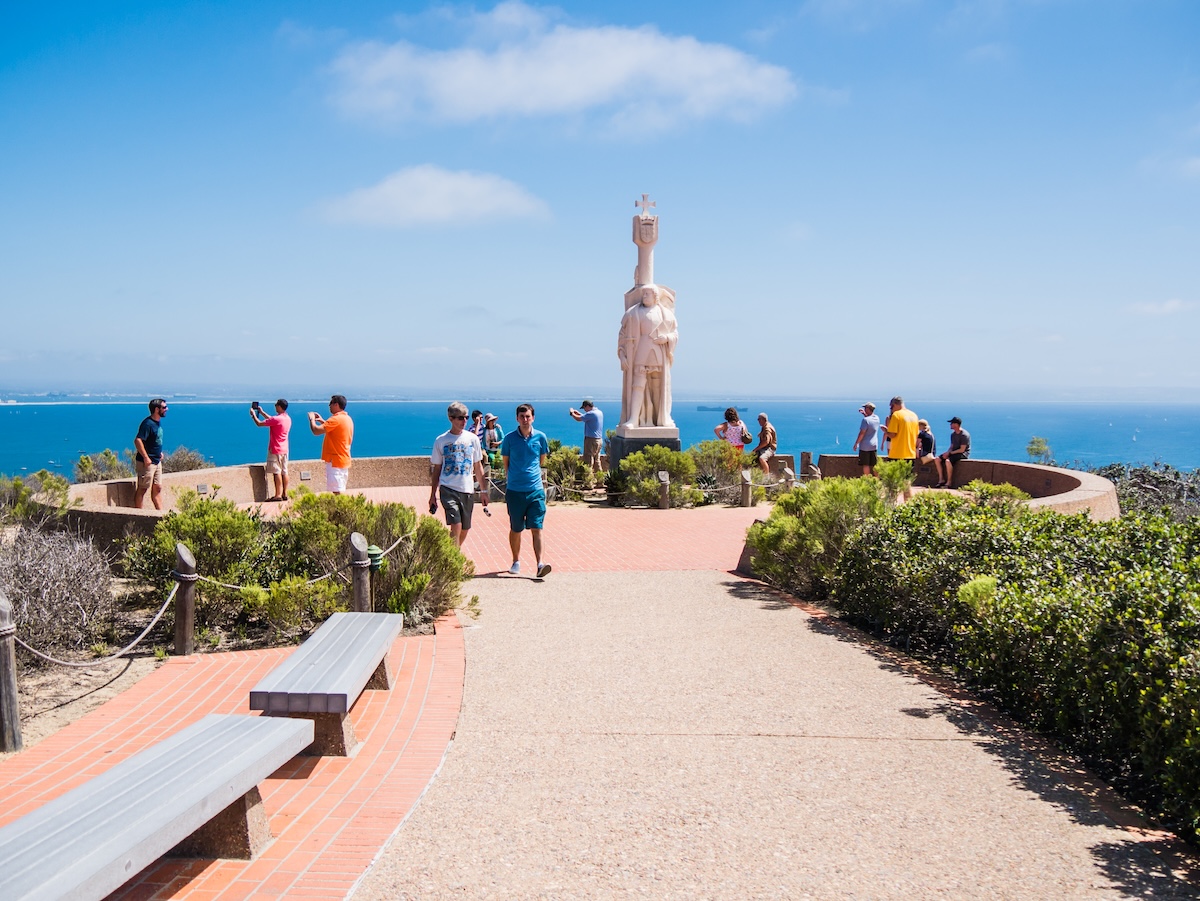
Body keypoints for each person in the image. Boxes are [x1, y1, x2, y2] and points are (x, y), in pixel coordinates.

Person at [501, 403, 551, 578]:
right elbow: (506, 462)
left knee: (537, 527)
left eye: (528, 416)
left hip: (535, 490)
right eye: (522, 417)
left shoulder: (540, 437)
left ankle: (540, 564)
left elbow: (541, 459)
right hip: (515, 490)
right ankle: (515, 561)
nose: (525, 419)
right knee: (516, 528)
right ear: (517, 418)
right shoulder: (509, 439)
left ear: (533, 418)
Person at [618, 284, 678, 429]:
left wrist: (667, 338)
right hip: (640, 351)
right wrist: (622, 355)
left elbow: (675, 333)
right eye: (643, 294)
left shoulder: (666, 314)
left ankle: (660, 417)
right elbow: (622, 336)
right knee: (638, 384)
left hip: (658, 352)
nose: (644, 296)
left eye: (647, 294)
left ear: (655, 296)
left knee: (658, 385)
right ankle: (634, 418)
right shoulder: (633, 313)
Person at [429, 402, 488, 549]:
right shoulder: (441, 441)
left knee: (465, 529)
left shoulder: (473, 439)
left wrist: (484, 491)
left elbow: (478, 466)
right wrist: (433, 495)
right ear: (451, 418)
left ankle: (453, 552)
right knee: (456, 525)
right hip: (448, 489)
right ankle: (453, 558)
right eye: (460, 418)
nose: (464, 421)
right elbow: (437, 469)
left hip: (467, 490)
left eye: (466, 417)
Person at [308, 394, 354, 495]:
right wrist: (322, 421)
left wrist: (312, 419)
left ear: (336, 404)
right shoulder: (347, 418)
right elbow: (335, 430)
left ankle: (339, 506)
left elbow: (316, 431)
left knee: (336, 491)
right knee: (339, 488)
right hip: (343, 458)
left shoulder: (335, 419)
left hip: (335, 460)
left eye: (331, 403)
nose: (329, 406)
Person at [250, 398, 291, 501]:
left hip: (275, 449)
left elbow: (259, 424)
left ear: (280, 406)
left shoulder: (277, 419)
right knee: (284, 471)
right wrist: (262, 412)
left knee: (276, 472)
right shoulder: (287, 418)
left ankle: (278, 495)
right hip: (285, 449)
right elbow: (272, 420)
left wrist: (253, 415)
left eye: (276, 405)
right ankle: (285, 493)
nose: (275, 406)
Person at [133, 398, 168, 509]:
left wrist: (159, 453)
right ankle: (139, 513)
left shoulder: (157, 423)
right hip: (147, 463)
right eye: (164, 407)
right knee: (143, 489)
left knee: (157, 488)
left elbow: (154, 440)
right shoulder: (147, 424)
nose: (167, 409)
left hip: (156, 461)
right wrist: (146, 457)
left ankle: (160, 514)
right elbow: (138, 440)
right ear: (157, 409)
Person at [935, 417, 972, 488]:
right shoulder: (953, 435)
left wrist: (950, 453)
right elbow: (951, 446)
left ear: (956, 424)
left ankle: (949, 482)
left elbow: (962, 449)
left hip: (963, 454)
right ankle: (941, 479)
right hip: (953, 452)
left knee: (948, 461)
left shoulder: (964, 435)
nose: (950, 425)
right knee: (937, 459)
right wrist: (947, 452)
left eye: (952, 423)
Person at [569, 400, 604, 471]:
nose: (584, 410)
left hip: (591, 440)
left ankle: (588, 476)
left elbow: (578, 419)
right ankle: (600, 476)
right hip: (599, 439)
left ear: (587, 406)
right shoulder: (599, 412)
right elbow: (585, 417)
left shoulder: (591, 414)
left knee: (588, 460)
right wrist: (578, 413)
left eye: (584, 408)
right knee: (597, 460)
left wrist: (572, 413)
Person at [884, 396, 919, 462]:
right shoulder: (914, 415)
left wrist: (885, 431)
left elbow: (892, 435)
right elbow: (916, 435)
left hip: (897, 454)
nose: (891, 409)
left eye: (891, 407)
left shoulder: (896, 415)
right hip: (911, 454)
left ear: (894, 404)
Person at [852, 402, 880, 477]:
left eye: (865, 408)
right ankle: (877, 479)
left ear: (868, 409)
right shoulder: (877, 418)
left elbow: (862, 433)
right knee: (874, 464)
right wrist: (864, 414)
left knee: (866, 464)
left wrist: (856, 443)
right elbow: (870, 422)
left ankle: (867, 480)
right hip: (874, 445)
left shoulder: (865, 420)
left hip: (865, 446)